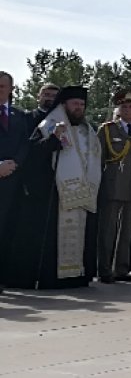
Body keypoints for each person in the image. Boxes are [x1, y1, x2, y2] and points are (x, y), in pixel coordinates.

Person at [6, 86, 102, 289]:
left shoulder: (88, 130)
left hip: (82, 195)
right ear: (64, 104)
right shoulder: (48, 124)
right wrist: (53, 140)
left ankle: (76, 276)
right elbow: (32, 155)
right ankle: (51, 278)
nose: (79, 108)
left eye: (82, 104)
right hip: (53, 194)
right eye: (75, 103)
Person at [96, 89, 131, 283]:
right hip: (112, 187)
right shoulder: (107, 130)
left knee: (127, 230)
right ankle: (104, 269)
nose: (128, 109)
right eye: (124, 106)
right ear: (119, 108)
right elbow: (98, 160)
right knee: (108, 230)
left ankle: (121, 269)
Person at [0, 71, 31, 291]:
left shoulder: (20, 116)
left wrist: (15, 163)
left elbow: (26, 144)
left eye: (2, 86)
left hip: (13, 181)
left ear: (11, 89)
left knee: (7, 229)